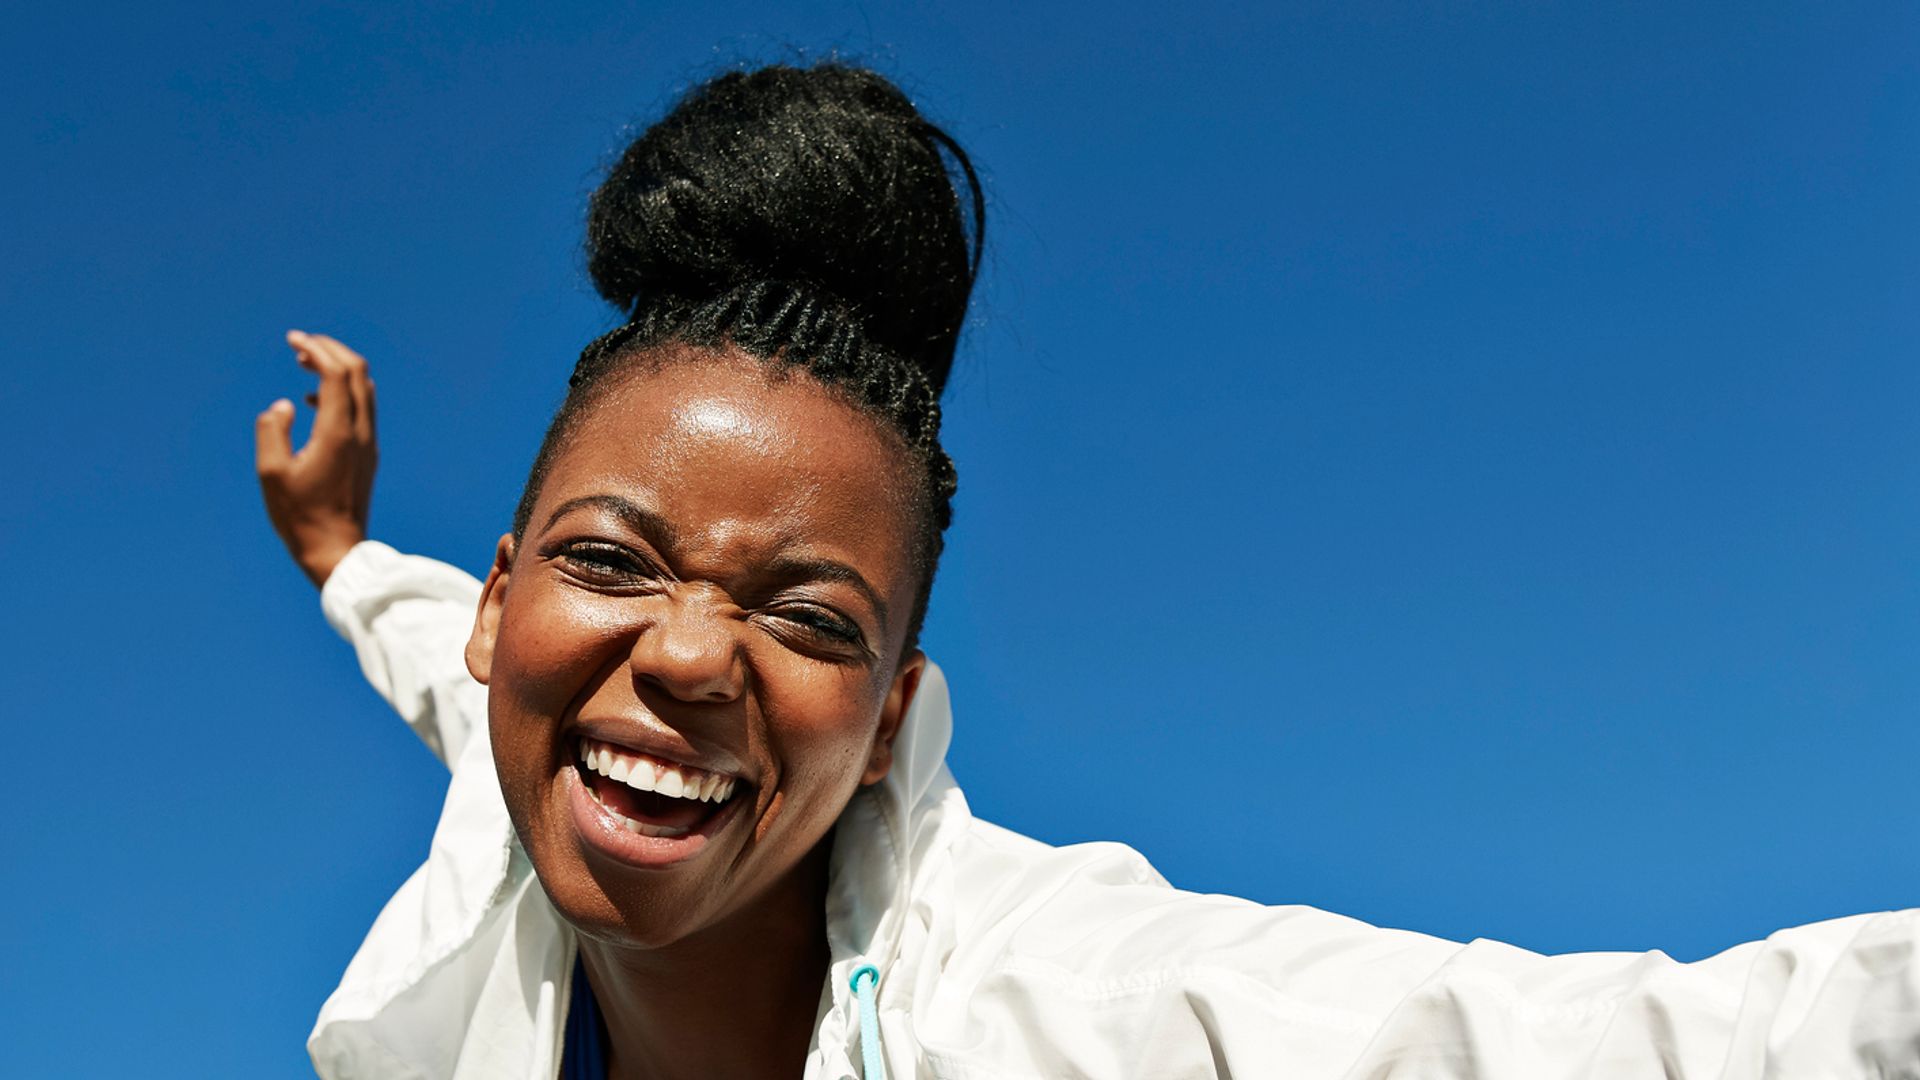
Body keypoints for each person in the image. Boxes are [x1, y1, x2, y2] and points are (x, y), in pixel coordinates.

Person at [258, 64, 1920, 1079]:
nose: (687, 659)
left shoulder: (1055, 1004)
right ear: (501, 606)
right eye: (612, 561)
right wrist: (338, 551)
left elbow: (1646, 1050)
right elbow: (421, 658)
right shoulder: (506, 815)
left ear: (894, 710)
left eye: (809, 616)